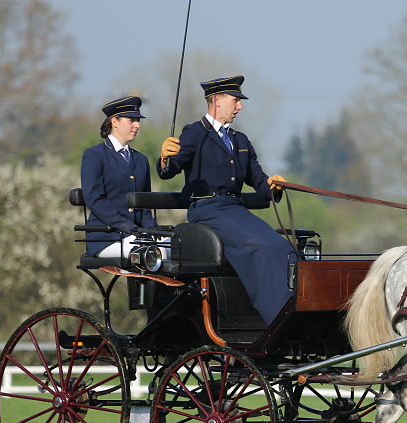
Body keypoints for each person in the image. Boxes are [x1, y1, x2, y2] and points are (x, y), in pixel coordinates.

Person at [157, 76, 293, 325]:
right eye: (236, 100)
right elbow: (170, 168)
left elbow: (259, 183)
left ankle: (292, 312)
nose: (240, 106)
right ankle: (277, 320)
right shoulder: (195, 133)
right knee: (261, 248)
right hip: (207, 211)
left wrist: (274, 185)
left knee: (284, 248)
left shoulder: (241, 141)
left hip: (235, 210)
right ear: (217, 100)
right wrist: (165, 158)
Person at [80, 96, 159, 259]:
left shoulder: (141, 160)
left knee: (172, 248)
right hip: (107, 237)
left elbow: (145, 204)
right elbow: (94, 199)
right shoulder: (95, 155)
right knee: (150, 255)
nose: (137, 125)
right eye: (132, 120)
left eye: (138, 120)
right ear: (114, 121)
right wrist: (128, 227)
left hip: (137, 236)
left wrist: (152, 229)